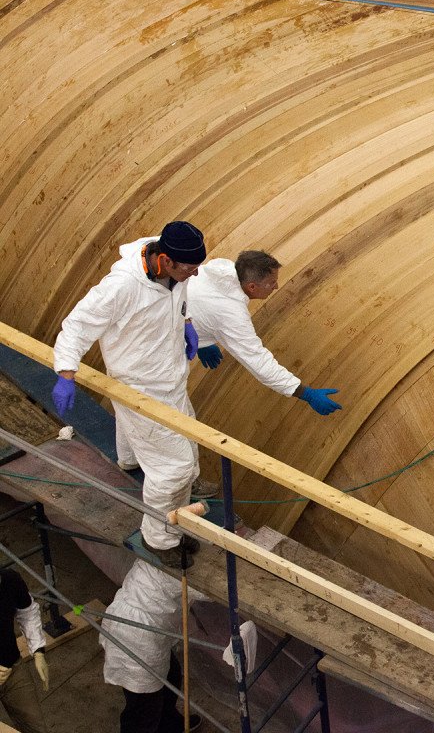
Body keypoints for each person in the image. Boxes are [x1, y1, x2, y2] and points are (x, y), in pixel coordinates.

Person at [52, 221, 209, 569]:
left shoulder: (174, 272)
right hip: (140, 387)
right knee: (175, 468)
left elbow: (180, 295)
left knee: (188, 434)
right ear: (165, 260)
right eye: (189, 269)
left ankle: (130, 460)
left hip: (169, 375)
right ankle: (160, 538)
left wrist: (186, 323)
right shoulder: (121, 287)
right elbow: (77, 325)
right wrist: (66, 373)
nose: (194, 276)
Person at [187, 251, 342, 416]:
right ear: (252, 287)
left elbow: (199, 303)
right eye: (272, 282)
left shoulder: (222, 268)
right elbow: (258, 361)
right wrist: (307, 394)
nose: (276, 286)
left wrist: (202, 340)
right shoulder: (231, 315)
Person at [101, 560, 198, 733]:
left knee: (171, 675)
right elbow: (215, 589)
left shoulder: (152, 552)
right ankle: (155, 726)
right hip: (136, 638)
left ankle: (167, 724)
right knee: (144, 708)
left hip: (134, 625)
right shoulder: (177, 568)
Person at [0, 569, 50, 733]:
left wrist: (38, 651)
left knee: (36, 728)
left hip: (12, 668)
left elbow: (27, 611)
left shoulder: (9, 579)